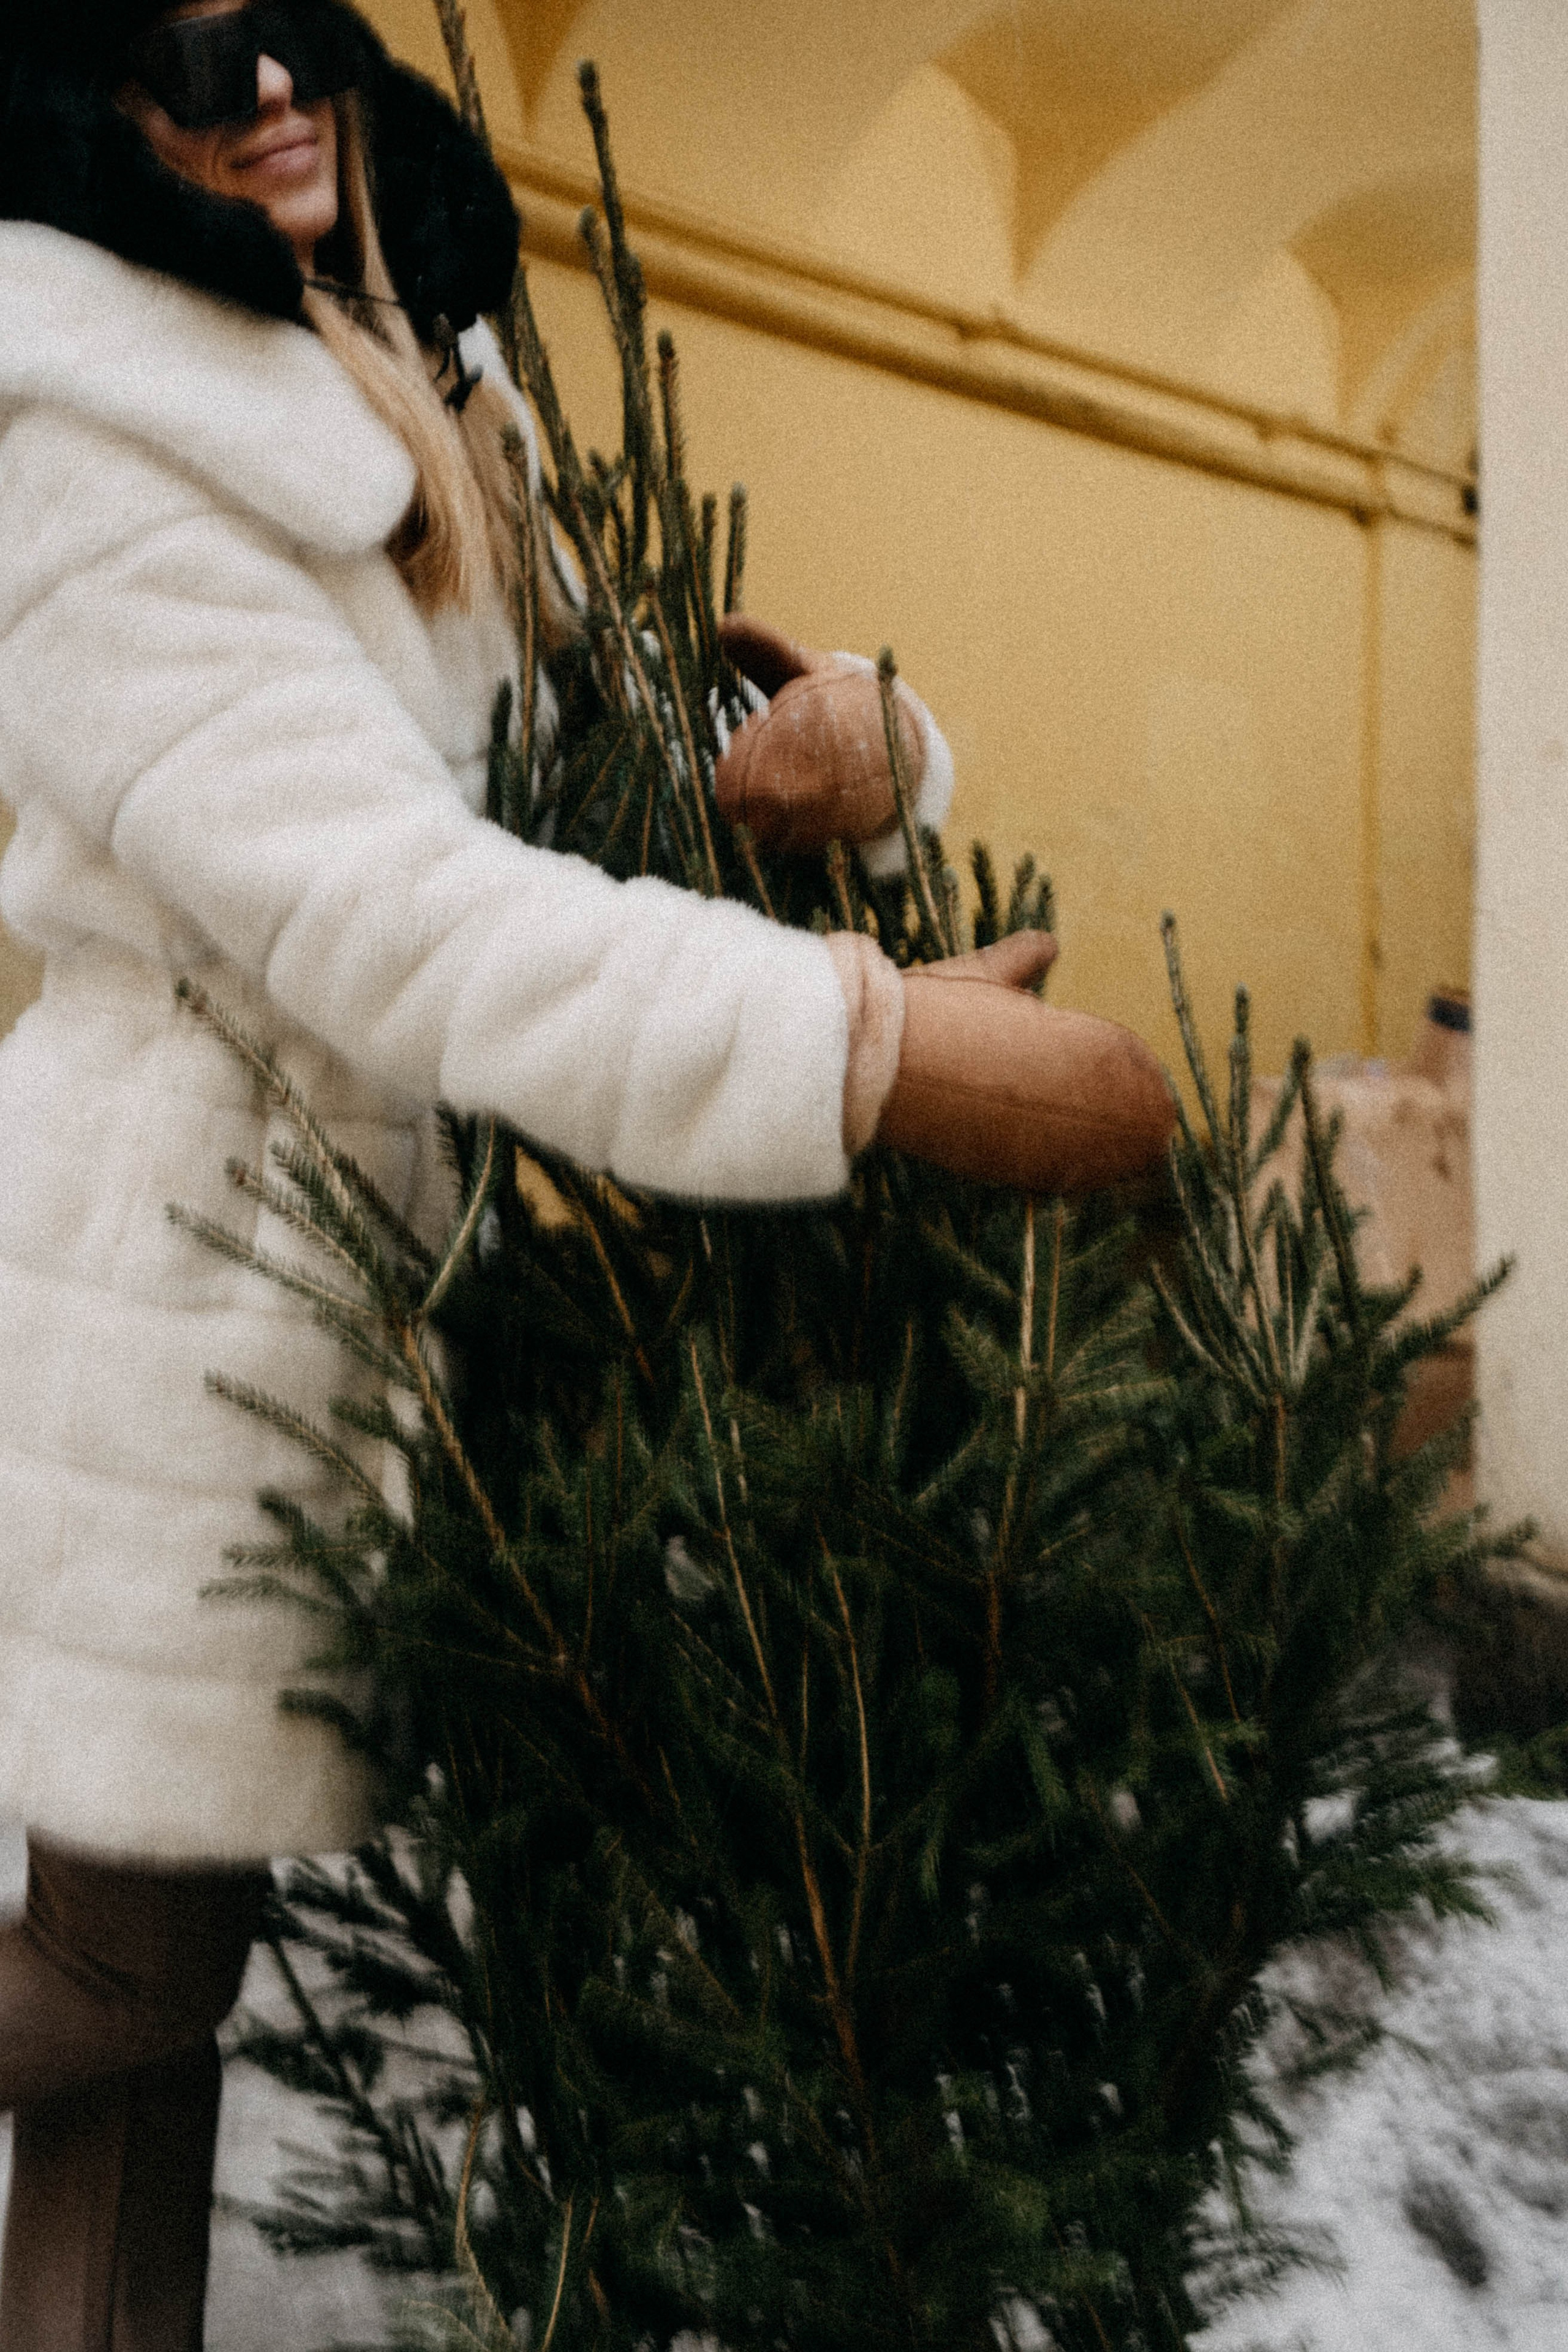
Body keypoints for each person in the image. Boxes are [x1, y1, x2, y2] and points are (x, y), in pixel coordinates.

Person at [0, 3, 1170, 2342]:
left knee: (150, 2017)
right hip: (189, 1295)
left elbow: (586, 739)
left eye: (281, 38)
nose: (259, 101)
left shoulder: (403, 386)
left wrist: (859, 743)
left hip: (369, 1293)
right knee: (129, 1977)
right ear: (73, 112)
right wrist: (869, 1050)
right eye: (175, 67)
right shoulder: (89, 449)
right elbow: (402, 915)